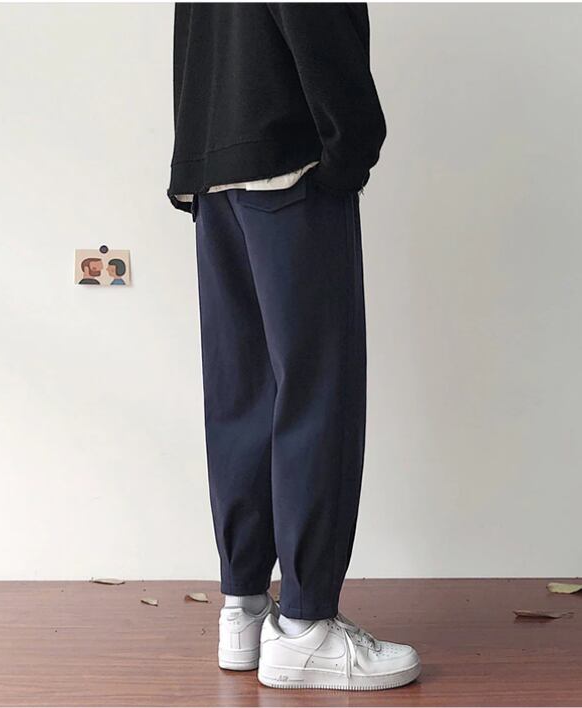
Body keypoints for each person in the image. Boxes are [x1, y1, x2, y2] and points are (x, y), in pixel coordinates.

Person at [168, 3, 420, 691]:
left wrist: (192, 158)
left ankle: (244, 608)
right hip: (289, 163)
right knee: (317, 394)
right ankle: (307, 626)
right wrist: (350, 149)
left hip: (215, 167)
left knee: (242, 395)